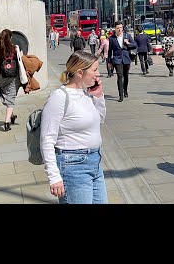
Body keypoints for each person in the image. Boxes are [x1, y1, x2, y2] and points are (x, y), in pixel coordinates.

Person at [40, 50, 107, 204]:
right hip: (73, 165)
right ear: (79, 72)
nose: (98, 74)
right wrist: (54, 176)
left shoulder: (86, 93)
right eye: (95, 70)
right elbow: (47, 139)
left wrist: (98, 96)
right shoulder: (60, 97)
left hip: (95, 162)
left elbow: (100, 120)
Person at [0, 29, 21, 132]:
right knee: (11, 98)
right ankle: (7, 122)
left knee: (8, 97)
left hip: (2, 77)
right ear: (10, 38)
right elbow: (19, 63)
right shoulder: (15, 49)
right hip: (13, 78)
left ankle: (12, 116)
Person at [107, 21, 137, 102]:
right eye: (117, 28)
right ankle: (120, 95)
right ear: (115, 29)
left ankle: (125, 90)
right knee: (120, 76)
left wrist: (128, 43)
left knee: (126, 76)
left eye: (120, 28)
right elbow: (110, 51)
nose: (119, 29)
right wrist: (109, 62)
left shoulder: (127, 36)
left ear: (122, 28)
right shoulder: (112, 38)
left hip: (126, 58)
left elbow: (135, 45)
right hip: (117, 59)